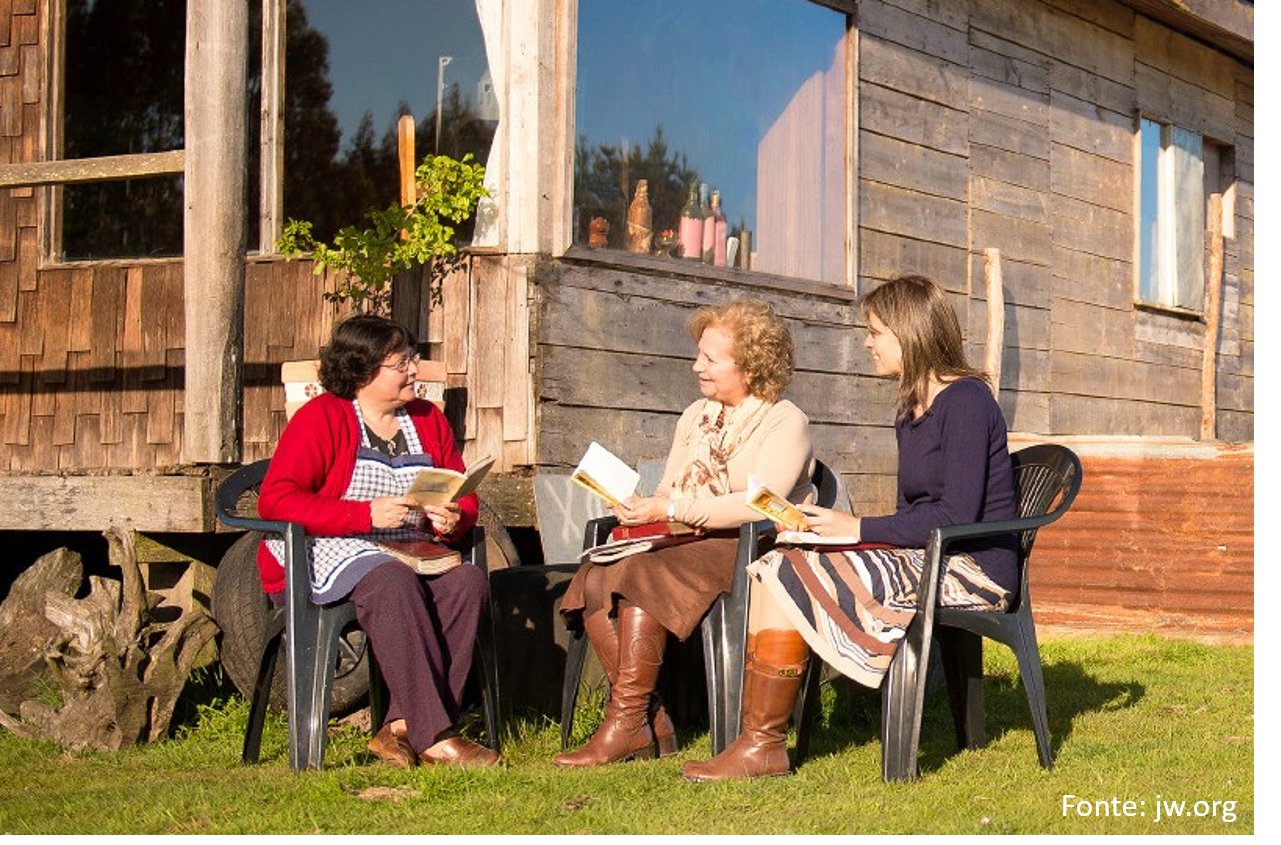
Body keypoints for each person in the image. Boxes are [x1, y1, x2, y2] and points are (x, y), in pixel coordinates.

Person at [681, 274, 1018, 782]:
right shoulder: (910, 410)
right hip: (928, 553)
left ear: (910, 334)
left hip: (973, 567)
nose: (867, 342)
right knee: (782, 559)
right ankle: (761, 742)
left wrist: (855, 527)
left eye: (876, 331)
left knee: (797, 565)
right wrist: (830, 531)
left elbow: (957, 517)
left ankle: (760, 743)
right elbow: (911, 515)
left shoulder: (968, 401)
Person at [554, 298, 815, 768]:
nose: (697, 366)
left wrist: (674, 507)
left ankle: (630, 721)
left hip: (750, 544)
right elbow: (671, 488)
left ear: (751, 365)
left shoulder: (784, 420)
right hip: (688, 536)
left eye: (711, 358)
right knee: (597, 573)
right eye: (700, 354)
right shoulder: (696, 415)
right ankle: (643, 719)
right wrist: (639, 508)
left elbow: (758, 504)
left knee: (642, 573)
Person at [255, 314, 499, 769]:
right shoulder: (322, 417)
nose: (414, 369)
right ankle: (439, 737)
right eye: (401, 362)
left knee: (468, 583)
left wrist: (450, 518)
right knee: (390, 582)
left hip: (410, 546)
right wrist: (362, 514)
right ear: (363, 370)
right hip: (329, 546)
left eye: (412, 358)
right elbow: (276, 500)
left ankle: (404, 727)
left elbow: (463, 494)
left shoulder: (426, 419)